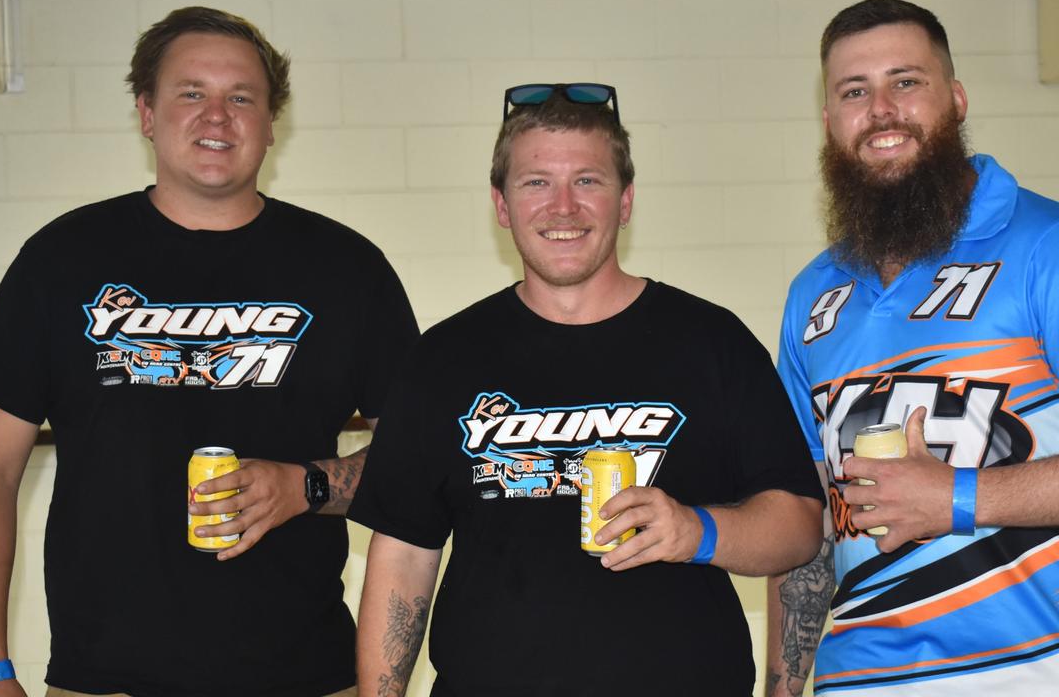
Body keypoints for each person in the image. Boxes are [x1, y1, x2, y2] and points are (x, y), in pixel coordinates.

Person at [0, 7, 418, 697]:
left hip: (310, 676)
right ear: (146, 112)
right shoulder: (62, 260)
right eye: (191, 93)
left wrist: (305, 486)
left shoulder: (348, 270)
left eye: (241, 97)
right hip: (103, 680)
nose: (217, 117)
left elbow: (420, 465)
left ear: (270, 121)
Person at [766, 0, 1059, 697]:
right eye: (855, 91)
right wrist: (784, 685)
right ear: (829, 121)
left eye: (906, 82)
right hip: (860, 682)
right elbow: (810, 514)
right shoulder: (813, 297)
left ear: (957, 99)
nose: (881, 109)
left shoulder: (1053, 248)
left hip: (1043, 676)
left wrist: (959, 497)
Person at [348, 83, 825, 697]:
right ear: (501, 204)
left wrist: (696, 531)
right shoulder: (442, 358)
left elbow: (798, 526)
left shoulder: (712, 341)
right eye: (536, 182)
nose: (563, 207)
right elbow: (403, 556)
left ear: (625, 201)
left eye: (588, 181)